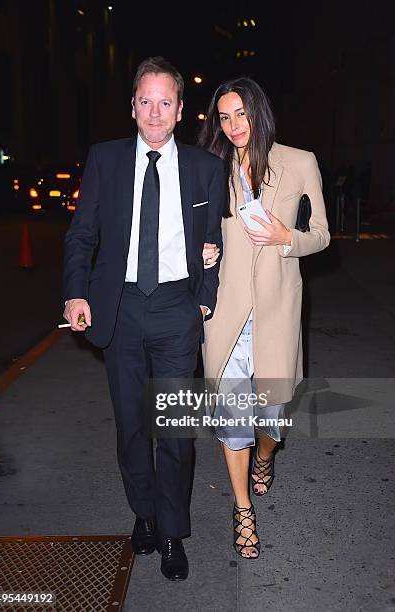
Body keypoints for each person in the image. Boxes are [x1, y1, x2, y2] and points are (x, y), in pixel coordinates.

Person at [63, 56, 224, 581]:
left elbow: (213, 243)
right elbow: (82, 235)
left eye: (166, 102)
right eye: (146, 101)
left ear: (180, 110)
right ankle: (145, 515)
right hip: (122, 309)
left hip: (177, 309)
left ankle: (173, 531)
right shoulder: (105, 160)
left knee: (175, 429)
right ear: (132, 106)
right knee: (132, 425)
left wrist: (204, 299)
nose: (155, 113)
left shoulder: (204, 168)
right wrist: (75, 293)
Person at [198, 77, 330, 559]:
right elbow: (199, 231)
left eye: (241, 114)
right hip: (227, 315)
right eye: (224, 116)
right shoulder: (211, 168)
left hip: (276, 311)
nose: (233, 126)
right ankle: (242, 508)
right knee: (233, 417)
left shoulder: (299, 162)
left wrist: (286, 239)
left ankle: (264, 458)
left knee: (270, 421)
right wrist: (203, 254)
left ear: (259, 112)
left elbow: (321, 235)